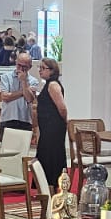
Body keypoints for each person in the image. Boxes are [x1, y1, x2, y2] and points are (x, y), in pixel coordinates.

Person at [33, 57, 68, 192]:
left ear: (52, 71)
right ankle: (47, 185)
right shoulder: (47, 84)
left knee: (51, 154)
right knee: (45, 153)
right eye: (40, 67)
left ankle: (53, 183)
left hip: (53, 127)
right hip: (47, 126)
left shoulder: (53, 85)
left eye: (43, 68)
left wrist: (64, 121)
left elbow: (62, 108)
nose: (40, 70)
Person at [0, 51, 39, 133]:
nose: (20, 69)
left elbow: (29, 99)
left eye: (24, 67)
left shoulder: (33, 81)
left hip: (25, 120)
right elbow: (5, 97)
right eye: (19, 65)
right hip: (7, 118)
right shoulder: (6, 77)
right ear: (16, 62)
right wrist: (24, 91)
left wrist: (24, 81)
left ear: (30, 67)